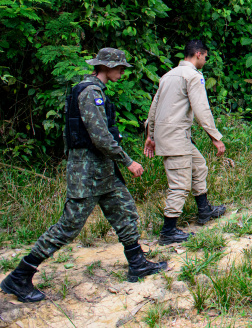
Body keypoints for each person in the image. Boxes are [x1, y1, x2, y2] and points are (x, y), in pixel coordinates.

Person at [1, 48, 166, 303]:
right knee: (68, 227)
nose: (122, 71)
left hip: (103, 171)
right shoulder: (90, 92)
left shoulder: (96, 90)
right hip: (87, 172)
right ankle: (20, 276)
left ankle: (137, 263)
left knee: (125, 212)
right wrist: (128, 161)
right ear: (105, 67)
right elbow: (100, 137)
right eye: (119, 67)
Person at [144, 40, 227, 245]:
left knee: (199, 166)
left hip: (172, 135)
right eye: (206, 57)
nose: (206, 61)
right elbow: (201, 109)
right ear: (198, 54)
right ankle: (168, 230)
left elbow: (154, 106)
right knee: (180, 184)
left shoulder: (168, 75)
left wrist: (150, 134)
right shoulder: (192, 76)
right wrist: (215, 138)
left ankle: (204, 210)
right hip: (175, 136)